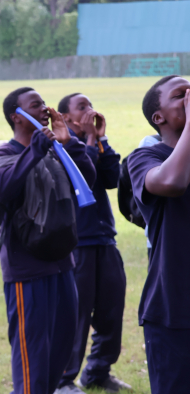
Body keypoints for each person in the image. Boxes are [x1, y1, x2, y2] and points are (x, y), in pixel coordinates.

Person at [0, 87, 96, 394]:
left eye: (45, 103)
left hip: (63, 265)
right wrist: (34, 151)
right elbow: (3, 187)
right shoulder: (4, 155)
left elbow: (87, 180)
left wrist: (69, 142)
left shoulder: (55, 150)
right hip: (27, 271)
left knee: (59, 353)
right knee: (32, 361)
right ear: (16, 117)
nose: (45, 109)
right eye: (35, 105)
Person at [55, 93, 130, 393]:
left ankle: (98, 372)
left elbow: (111, 179)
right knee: (77, 315)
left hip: (105, 238)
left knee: (112, 309)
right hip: (78, 243)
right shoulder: (60, 145)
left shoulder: (95, 142)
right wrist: (87, 141)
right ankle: (63, 380)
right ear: (66, 116)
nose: (90, 110)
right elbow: (83, 176)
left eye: (90, 105)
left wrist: (101, 139)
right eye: (82, 107)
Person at [127, 75, 190, 394]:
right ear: (158, 117)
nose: (189, 97)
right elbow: (172, 182)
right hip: (174, 310)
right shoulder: (144, 158)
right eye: (181, 95)